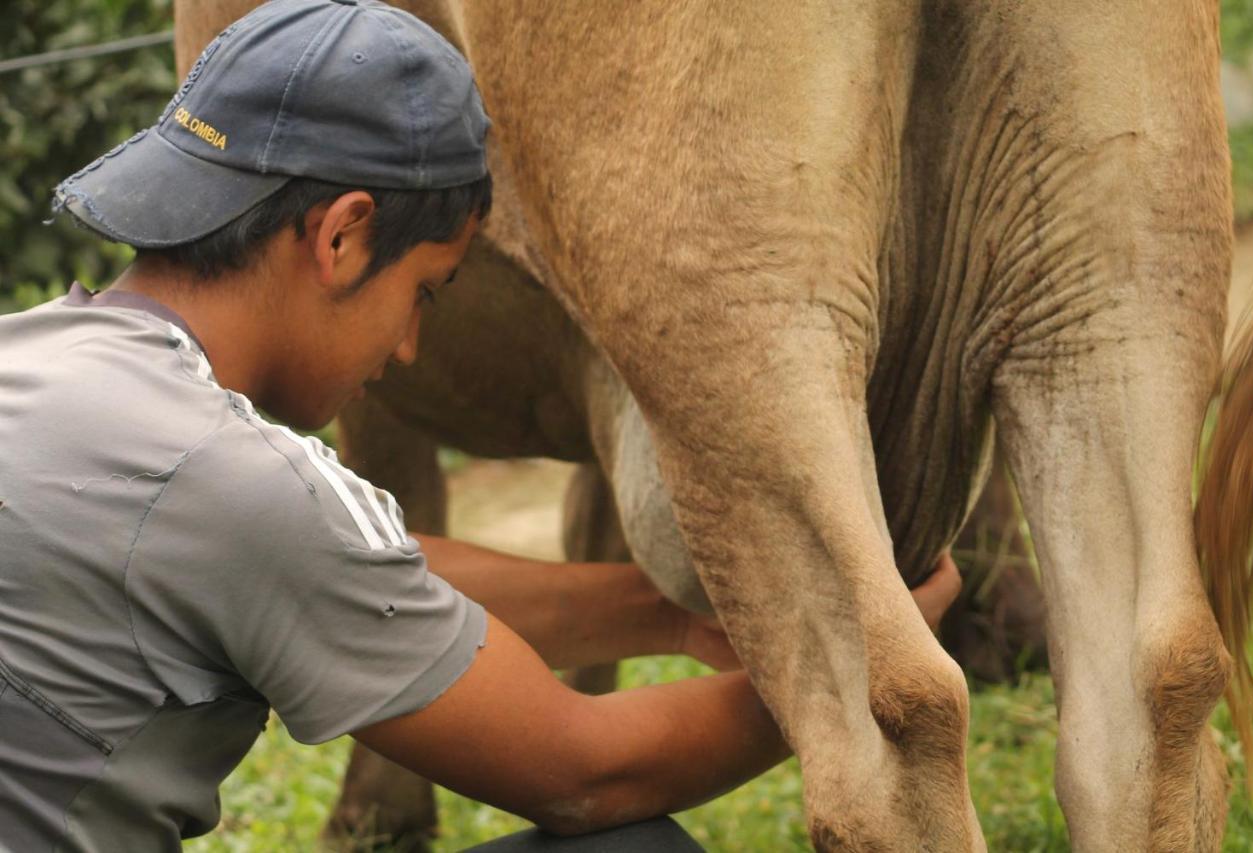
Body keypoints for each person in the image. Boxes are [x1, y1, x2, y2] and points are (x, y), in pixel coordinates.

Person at [0, 1, 962, 850]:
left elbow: (362, 567)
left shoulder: (39, 362)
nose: (412, 346)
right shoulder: (232, 477)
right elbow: (589, 774)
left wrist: (666, 614)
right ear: (340, 236)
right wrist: (836, 672)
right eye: (426, 291)